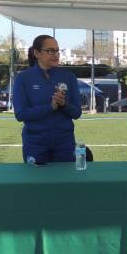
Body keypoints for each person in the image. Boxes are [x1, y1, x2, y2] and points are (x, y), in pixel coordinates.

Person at [13, 35, 82, 163]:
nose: (55, 54)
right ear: (37, 53)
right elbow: (20, 114)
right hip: (35, 143)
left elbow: (77, 113)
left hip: (65, 143)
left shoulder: (69, 77)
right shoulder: (23, 78)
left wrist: (64, 104)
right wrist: (50, 107)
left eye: (57, 51)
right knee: (37, 176)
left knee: (66, 176)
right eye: (50, 51)